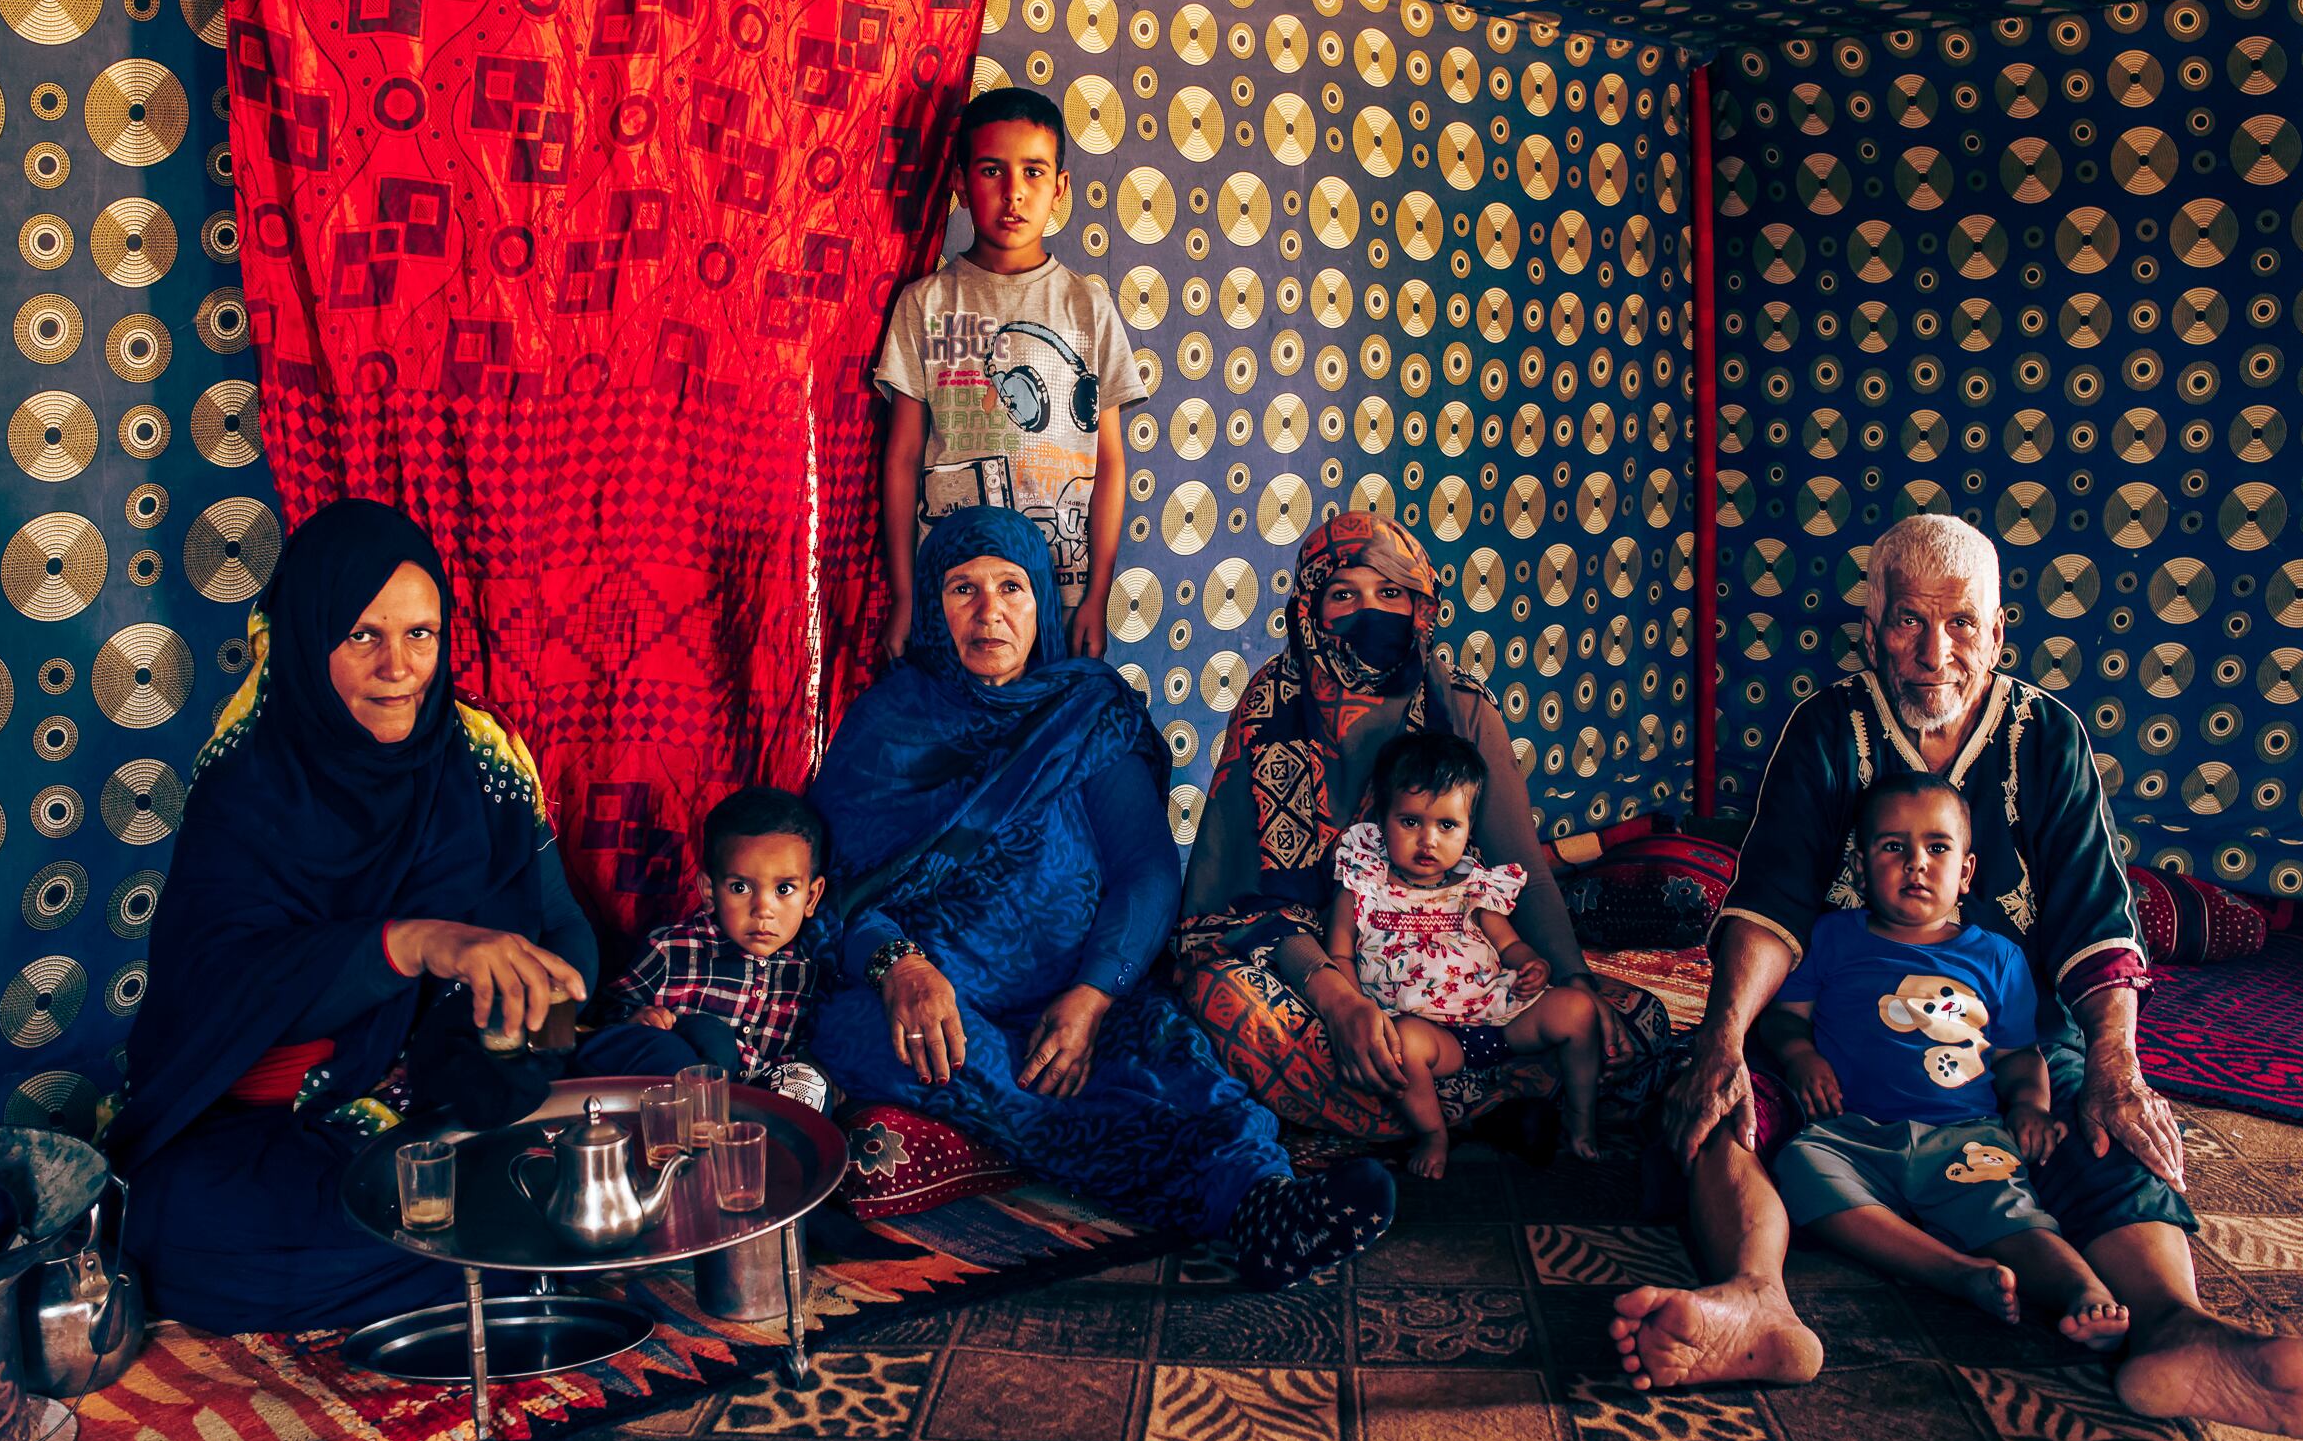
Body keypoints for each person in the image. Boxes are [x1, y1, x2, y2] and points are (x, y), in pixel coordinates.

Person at [1612, 512, 2303, 1441]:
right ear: (1872, 628)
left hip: (2003, 1026)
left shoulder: (2047, 737)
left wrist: (2114, 1061)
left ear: (1999, 632)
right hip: (1842, 1029)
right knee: (1718, 1108)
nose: (1935, 653)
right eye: (1907, 622)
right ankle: (1754, 1301)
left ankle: (2180, 1331)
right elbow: (1770, 902)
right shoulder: (1828, 730)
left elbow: (2096, 914)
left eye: (1962, 624)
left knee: (2102, 1125)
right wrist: (1726, 1040)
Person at [110, 499, 694, 1333]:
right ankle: (554, 1234)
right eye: (363, 636)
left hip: (468, 1087)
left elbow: (560, 928)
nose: (400, 667)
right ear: (310, 640)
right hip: (298, 1118)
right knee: (183, 1224)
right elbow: (223, 991)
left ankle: (499, 1240)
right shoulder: (245, 785)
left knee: (665, 1075)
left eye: (421, 634)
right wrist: (413, 945)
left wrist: (535, 1021)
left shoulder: (480, 756)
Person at [810, 508, 1396, 1288]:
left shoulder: (1085, 713)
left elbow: (1147, 871)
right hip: (947, 1006)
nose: (990, 612)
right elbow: (833, 889)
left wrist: (1090, 997)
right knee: (861, 1030)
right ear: (933, 604)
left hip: (1085, 990)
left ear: (1043, 602)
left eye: (1012, 587)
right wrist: (898, 966)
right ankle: (1205, 1189)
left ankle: (1266, 1204)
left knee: (1178, 1059)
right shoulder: (887, 725)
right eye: (963, 589)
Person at [1175, 510, 1679, 1142]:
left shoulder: (1461, 707)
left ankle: (1405, 1108)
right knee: (1228, 1007)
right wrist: (1341, 1003)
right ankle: (1490, 1099)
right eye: (1343, 594)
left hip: (1460, 970)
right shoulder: (1270, 704)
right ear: (1309, 609)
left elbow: (1523, 872)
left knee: (1632, 1022)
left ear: (1421, 604)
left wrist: (1572, 979)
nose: (1371, 611)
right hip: (1306, 950)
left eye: (1390, 592)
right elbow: (1235, 906)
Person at [1756, 775, 2129, 1346]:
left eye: (1937, 848)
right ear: (1860, 867)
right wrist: (1800, 1053)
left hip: (1964, 1134)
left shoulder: (1997, 956)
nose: (1916, 864)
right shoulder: (1832, 938)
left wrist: (2030, 1105)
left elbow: (2018, 1053)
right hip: (1852, 1135)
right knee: (1802, 1170)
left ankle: (2084, 1291)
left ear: (1967, 871)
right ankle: (1952, 1271)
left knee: (2012, 1213)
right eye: (1892, 847)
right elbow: (1786, 1016)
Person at [876, 85, 1142, 661]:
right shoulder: (924, 305)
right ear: (960, 184)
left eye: (1034, 172)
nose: (1014, 193)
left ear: (1060, 188)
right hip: (951, 593)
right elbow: (901, 458)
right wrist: (902, 594)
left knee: (1046, 745)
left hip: (1058, 598)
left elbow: (1111, 461)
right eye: (992, 170)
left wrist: (1097, 594)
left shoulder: (1089, 308)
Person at [1328, 731, 1605, 1177]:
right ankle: (1434, 1133)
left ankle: (1581, 1120)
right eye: (1411, 821)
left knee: (1578, 1011)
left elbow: (1509, 944)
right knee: (1402, 1047)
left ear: (1469, 829)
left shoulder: (1474, 888)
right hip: (1430, 1034)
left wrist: (1533, 965)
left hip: (1500, 1015)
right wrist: (1354, 1003)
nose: (1428, 840)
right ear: (1383, 820)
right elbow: (1339, 955)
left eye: (1447, 825)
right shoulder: (1365, 889)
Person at [606, 786, 835, 1108]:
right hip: (680, 1097)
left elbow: (810, 1046)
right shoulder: (671, 948)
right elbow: (607, 1014)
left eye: (784, 889)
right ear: (709, 891)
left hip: (759, 1106)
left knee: (810, 1083)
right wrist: (637, 1019)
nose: (763, 909)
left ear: (811, 897)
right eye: (740, 887)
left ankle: (770, 1150)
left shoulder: (809, 970)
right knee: (709, 1034)